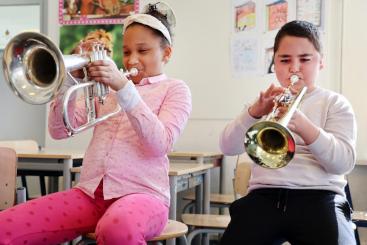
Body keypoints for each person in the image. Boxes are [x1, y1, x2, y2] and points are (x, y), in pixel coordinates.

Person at [0, 2, 192, 245]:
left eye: (142, 51)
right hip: (89, 194)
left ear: (166, 53)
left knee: (116, 230)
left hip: (144, 195)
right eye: (126, 51)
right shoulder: (107, 90)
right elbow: (59, 131)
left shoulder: (175, 90)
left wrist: (124, 88)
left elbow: (160, 144)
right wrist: (68, 82)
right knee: (6, 226)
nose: (132, 60)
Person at [219, 20, 357, 245]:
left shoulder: (335, 103)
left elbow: (343, 163)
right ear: (274, 62)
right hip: (265, 196)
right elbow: (227, 146)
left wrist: (304, 126)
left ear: (321, 62)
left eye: (305, 59)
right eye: (285, 60)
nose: (294, 68)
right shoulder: (265, 103)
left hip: (320, 197)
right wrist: (253, 113)